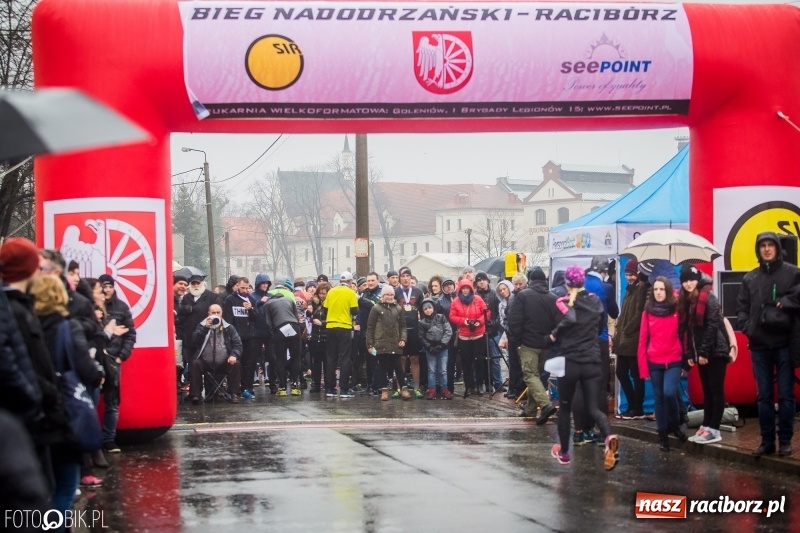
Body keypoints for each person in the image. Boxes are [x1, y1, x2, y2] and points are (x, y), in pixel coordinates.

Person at [31, 275, 104, 517]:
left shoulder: (26, 323)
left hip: (36, 407)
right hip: (64, 407)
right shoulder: (68, 326)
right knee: (65, 487)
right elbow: (85, 365)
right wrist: (97, 373)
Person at [549, 266, 619, 470]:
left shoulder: (562, 302)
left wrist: (554, 336)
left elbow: (562, 326)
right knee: (594, 407)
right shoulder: (595, 301)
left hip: (570, 360)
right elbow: (600, 326)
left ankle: (564, 452)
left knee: (565, 407)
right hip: (592, 359)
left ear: (567, 283)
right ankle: (609, 437)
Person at [737, 232, 800, 457]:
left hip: (784, 345)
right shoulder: (750, 278)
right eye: (762, 245)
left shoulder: (793, 273)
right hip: (759, 346)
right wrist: (748, 327)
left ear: (777, 248)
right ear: (758, 249)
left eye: (770, 245)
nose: (766, 249)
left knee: (786, 395)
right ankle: (767, 441)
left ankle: (785, 441)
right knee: (764, 396)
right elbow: (741, 308)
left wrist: (785, 302)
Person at [678, 264, 732, 444]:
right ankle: (707, 426)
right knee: (707, 391)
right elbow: (690, 332)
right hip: (702, 353)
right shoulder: (688, 301)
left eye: (691, 280)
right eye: (685, 281)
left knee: (716, 390)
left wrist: (703, 352)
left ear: (698, 280)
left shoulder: (708, 297)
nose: (688, 284)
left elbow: (712, 326)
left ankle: (715, 429)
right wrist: (691, 354)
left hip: (716, 351)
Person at [638, 276, 688, 452]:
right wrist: (643, 368)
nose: (658, 292)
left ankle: (674, 424)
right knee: (659, 398)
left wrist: (686, 361)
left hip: (674, 358)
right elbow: (642, 340)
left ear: (667, 291)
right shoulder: (647, 311)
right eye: (656, 289)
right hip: (654, 360)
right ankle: (663, 435)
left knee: (669, 393)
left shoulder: (677, 309)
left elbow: (684, 335)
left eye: (662, 289)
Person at [507, 267, 560, 419]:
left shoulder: (522, 296)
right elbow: (559, 321)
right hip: (546, 344)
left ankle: (545, 405)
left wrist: (517, 340)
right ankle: (530, 409)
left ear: (530, 280)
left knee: (530, 376)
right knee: (536, 376)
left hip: (528, 344)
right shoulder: (553, 297)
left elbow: (514, 320)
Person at [98, 274, 136, 453]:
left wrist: (122, 356)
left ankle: (109, 439)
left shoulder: (121, 307)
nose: (107, 290)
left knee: (112, 401)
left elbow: (130, 333)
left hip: (113, 360)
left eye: (110, 286)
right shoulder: (92, 307)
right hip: (95, 358)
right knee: (91, 399)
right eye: (104, 287)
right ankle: (91, 440)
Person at [614, 260, 649, 419]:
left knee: (636, 375)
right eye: (627, 274)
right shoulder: (629, 290)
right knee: (621, 372)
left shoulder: (641, 288)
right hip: (624, 340)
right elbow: (624, 314)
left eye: (631, 274)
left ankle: (637, 408)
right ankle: (633, 405)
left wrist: (627, 329)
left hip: (633, 340)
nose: (629, 277)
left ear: (638, 273)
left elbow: (639, 314)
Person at [188, 304, 243, 404]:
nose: (216, 315)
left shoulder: (229, 327)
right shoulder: (202, 325)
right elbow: (194, 341)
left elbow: (237, 344)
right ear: (209, 314)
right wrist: (205, 328)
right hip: (205, 361)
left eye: (218, 312)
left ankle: (234, 393)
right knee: (195, 364)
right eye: (213, 312)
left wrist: (234, 355)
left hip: (224, 361)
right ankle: (195, 395)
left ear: (222, 313)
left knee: (236, 364)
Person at [366, 285, 410, 400]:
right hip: (380, 342)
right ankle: (384, 390)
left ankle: (404, 389)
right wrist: (370, 344)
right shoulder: (376, 308)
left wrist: (403, 339)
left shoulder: (398, 308)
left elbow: (403, 326)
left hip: (395, 342)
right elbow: (370, 327)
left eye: (391, 295)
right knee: (382, 367)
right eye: (387, 295)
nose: (389, 297)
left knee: (398, 366)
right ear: (383, 295)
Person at [179, 273, 222, 388]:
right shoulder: (187, 298)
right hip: (190, 338)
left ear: (203, 284)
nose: (196, 285)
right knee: (193, 365)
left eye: (198, 283)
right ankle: (195, 391)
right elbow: (180, 314)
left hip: (207, 337)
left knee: (209, 364)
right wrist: (186, 309)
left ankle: (211, 390)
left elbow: (218, 315)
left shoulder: (212, 297)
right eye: (193, 283)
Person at [449, 279, 489, 398]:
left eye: (467, 288)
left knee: (479, 360)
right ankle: (468, 386)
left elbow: (486, 313)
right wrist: (463, 321)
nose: (465, 290)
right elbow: (452, 316)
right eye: (463, 288)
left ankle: (479, 385)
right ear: (460, 290)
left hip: (478, 334)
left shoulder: (478, 299)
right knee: (466, 362)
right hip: (464, 335)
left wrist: (479, 322)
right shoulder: (456, 301)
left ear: (471, 289)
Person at [324, 272, 360, 397]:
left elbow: (325, 309)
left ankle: (330, 388)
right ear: (350, 282)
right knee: (345, 358)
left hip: (330, 327)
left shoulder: (331, 291)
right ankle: (344, 389)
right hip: (344, 327)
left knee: (331, 358)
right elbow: (355, 311)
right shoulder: (350, 293)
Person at [265, 279, 303, 396]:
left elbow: (268, 323)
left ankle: (282, 387)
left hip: (280, 328)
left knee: (280, 358)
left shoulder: (268, 303)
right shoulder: (289, 299)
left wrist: (273, 334)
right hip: (294, 327)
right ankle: (295, 385)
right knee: (296, 357)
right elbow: (296, 316)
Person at [223, 277, 259, 399]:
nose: (245, 290)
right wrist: (231, 335)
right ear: (237, 286)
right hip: (235, 336)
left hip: (249, 336)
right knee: (235, 363)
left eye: (247, 288)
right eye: (242, 288)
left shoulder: (251, 299)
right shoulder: (230, 299)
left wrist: (250, 309)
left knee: (248, 364)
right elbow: (228, 319)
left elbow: (256, 318)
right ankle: (233, 389)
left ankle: (246, 388)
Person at [395, 267, 425, 397]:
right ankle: (400, 388)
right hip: (400, 330)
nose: (406, 278)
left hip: (414, 330)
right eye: (403, 276)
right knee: (401, 359)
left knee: (414, 359)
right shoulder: (396, 292)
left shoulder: (418, 292)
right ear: (399, 278)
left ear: (411, 277)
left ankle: (416, 388)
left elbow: (423, 312)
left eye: (408, 276)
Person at [418, 299, 453, 399]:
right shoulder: (421, 323)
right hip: (430, 349)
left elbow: (448, 331)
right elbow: (421, 337)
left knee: (443, 370)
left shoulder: (441, 317)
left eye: (429, 308)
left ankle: (444, 389)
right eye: (425, 309)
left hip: (443, 348)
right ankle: (432, 389)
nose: (428, 310)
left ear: (433, 308)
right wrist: (429, 347)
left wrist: (442, 344)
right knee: (431, 370)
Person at [475, 271, 504, 392]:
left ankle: (497, 383)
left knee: (495, 358)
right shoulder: (475, 295)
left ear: (487, 281)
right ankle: (482, 383)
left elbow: (499, 311)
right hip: (479, 332)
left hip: (494, 331)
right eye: (479, 280)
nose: (481, 282)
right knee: (480, 359)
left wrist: (494, 323)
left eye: (483, 280)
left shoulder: (494, 294)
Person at [358, 272, 383, 395]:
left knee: (375, 360)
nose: (370, 283)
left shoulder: (381, 293)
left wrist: (361, 300)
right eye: (368, 281)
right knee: (368, 360)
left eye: (373, 280)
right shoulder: (364, 293)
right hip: (365, 331)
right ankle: (369, 385)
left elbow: (374, 306)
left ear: (377, 280)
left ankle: (376, 386)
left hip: (377, 332)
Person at [307, 282, 330, 393]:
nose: (321, 296)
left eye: (323, 294)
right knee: (316, 363)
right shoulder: (314, 303)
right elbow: (309, 316)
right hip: (315, 337)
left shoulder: (330, 304)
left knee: (327, 363)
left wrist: (322, 323)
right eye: (320, 293)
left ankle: (328, 384)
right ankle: (316, 383)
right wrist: (309, 311)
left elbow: (333, 319)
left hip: (326, 337)